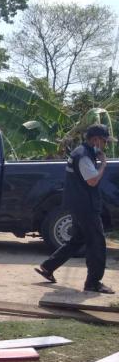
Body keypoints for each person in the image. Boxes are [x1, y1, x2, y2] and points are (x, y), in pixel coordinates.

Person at [35, 124, 115, 294]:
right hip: (86, 207)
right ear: (96, 140)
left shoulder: (81, 152)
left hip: (78, 204)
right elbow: (92, 181)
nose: (105, 145)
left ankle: (48, 267)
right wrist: (103, 164)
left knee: (77, 240)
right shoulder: (84, 156)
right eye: (104, 141)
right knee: (97, 243)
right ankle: (93, 283)